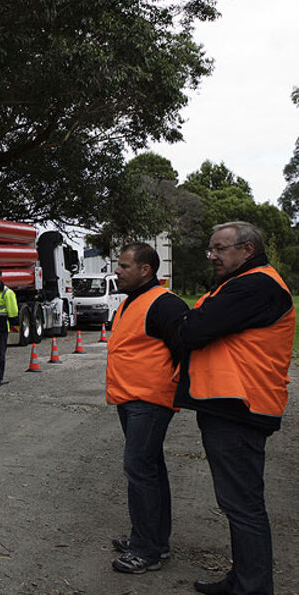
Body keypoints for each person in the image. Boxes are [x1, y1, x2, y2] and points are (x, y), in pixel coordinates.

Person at [169, 222, 293, 595]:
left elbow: (192, 330)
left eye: (220, 249)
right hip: (232, 406)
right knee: (237, 503)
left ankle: (253, 587)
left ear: (247, 250)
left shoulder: (256, 286)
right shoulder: (241, 285)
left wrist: (187, 322)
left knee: (243, 505)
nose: (212, 256)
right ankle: (244, 580)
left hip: (241, 406)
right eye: (211, 249)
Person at [104, 243, 188, 575]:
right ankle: (154, 541)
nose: (117, 271)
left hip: (149, 402)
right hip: (130, 399)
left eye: (124, 266)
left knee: (139, 470)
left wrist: (174, 387)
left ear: (145, 270)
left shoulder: (164, 304)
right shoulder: (131, 302)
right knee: (150, 469)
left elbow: (187, 347)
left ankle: (146, 549)